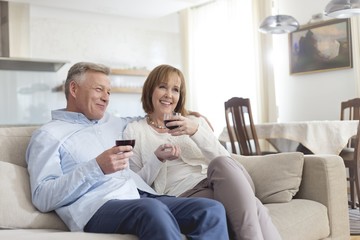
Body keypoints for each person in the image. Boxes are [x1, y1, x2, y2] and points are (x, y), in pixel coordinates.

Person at [26, 62, 230, 240]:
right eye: (99, 89)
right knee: (153, 210)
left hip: (140, 195)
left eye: (108, 92)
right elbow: (42, 197)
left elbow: (151, 119)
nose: (106, 98)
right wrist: (96, 167)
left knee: (209, 210)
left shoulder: (112, 122)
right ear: (74, 88)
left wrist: (193, 119)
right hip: (98, 206)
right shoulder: (48, 135)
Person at [124, 64, 282, 240]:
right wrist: (157, 159)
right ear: (150, 90)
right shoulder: (135, 130)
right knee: (253, 205)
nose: (169, 94)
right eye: (162, 87)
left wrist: (196, 131)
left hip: (221, 180)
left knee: (221, 163)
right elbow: (137, 184)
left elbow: (228, 162)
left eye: (175, 90)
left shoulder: (194, 121)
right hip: (185, 193)